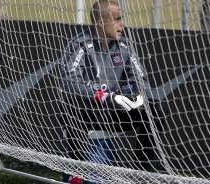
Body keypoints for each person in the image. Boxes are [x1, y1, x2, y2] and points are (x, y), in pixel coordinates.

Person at [59, 0, 163, 183]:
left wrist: (138, 96)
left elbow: (140, 79)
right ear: (101, 22)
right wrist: (102, 96)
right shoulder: (81, 44)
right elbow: (68, 82)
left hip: (113, 111)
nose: (122, 24)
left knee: (154, 110)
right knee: (73, 108)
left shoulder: (124, 45)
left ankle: (141, 174)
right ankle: (75, 173)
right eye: (117, 19)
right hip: (88, 111)